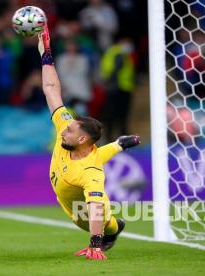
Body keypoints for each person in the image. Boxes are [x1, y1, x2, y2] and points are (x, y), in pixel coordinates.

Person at [37, 26, 140, 260]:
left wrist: (96, 243)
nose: (63, 131)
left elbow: (94, 208)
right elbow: (51, 89)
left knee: (108, 222)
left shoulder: (91, 173)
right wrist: (46, 54)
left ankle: (114, 229)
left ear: (82, 139)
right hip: (73, 179)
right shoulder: (68, 129)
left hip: (86, 214)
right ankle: (120, 143)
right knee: (100, 152)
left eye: (70, 130)